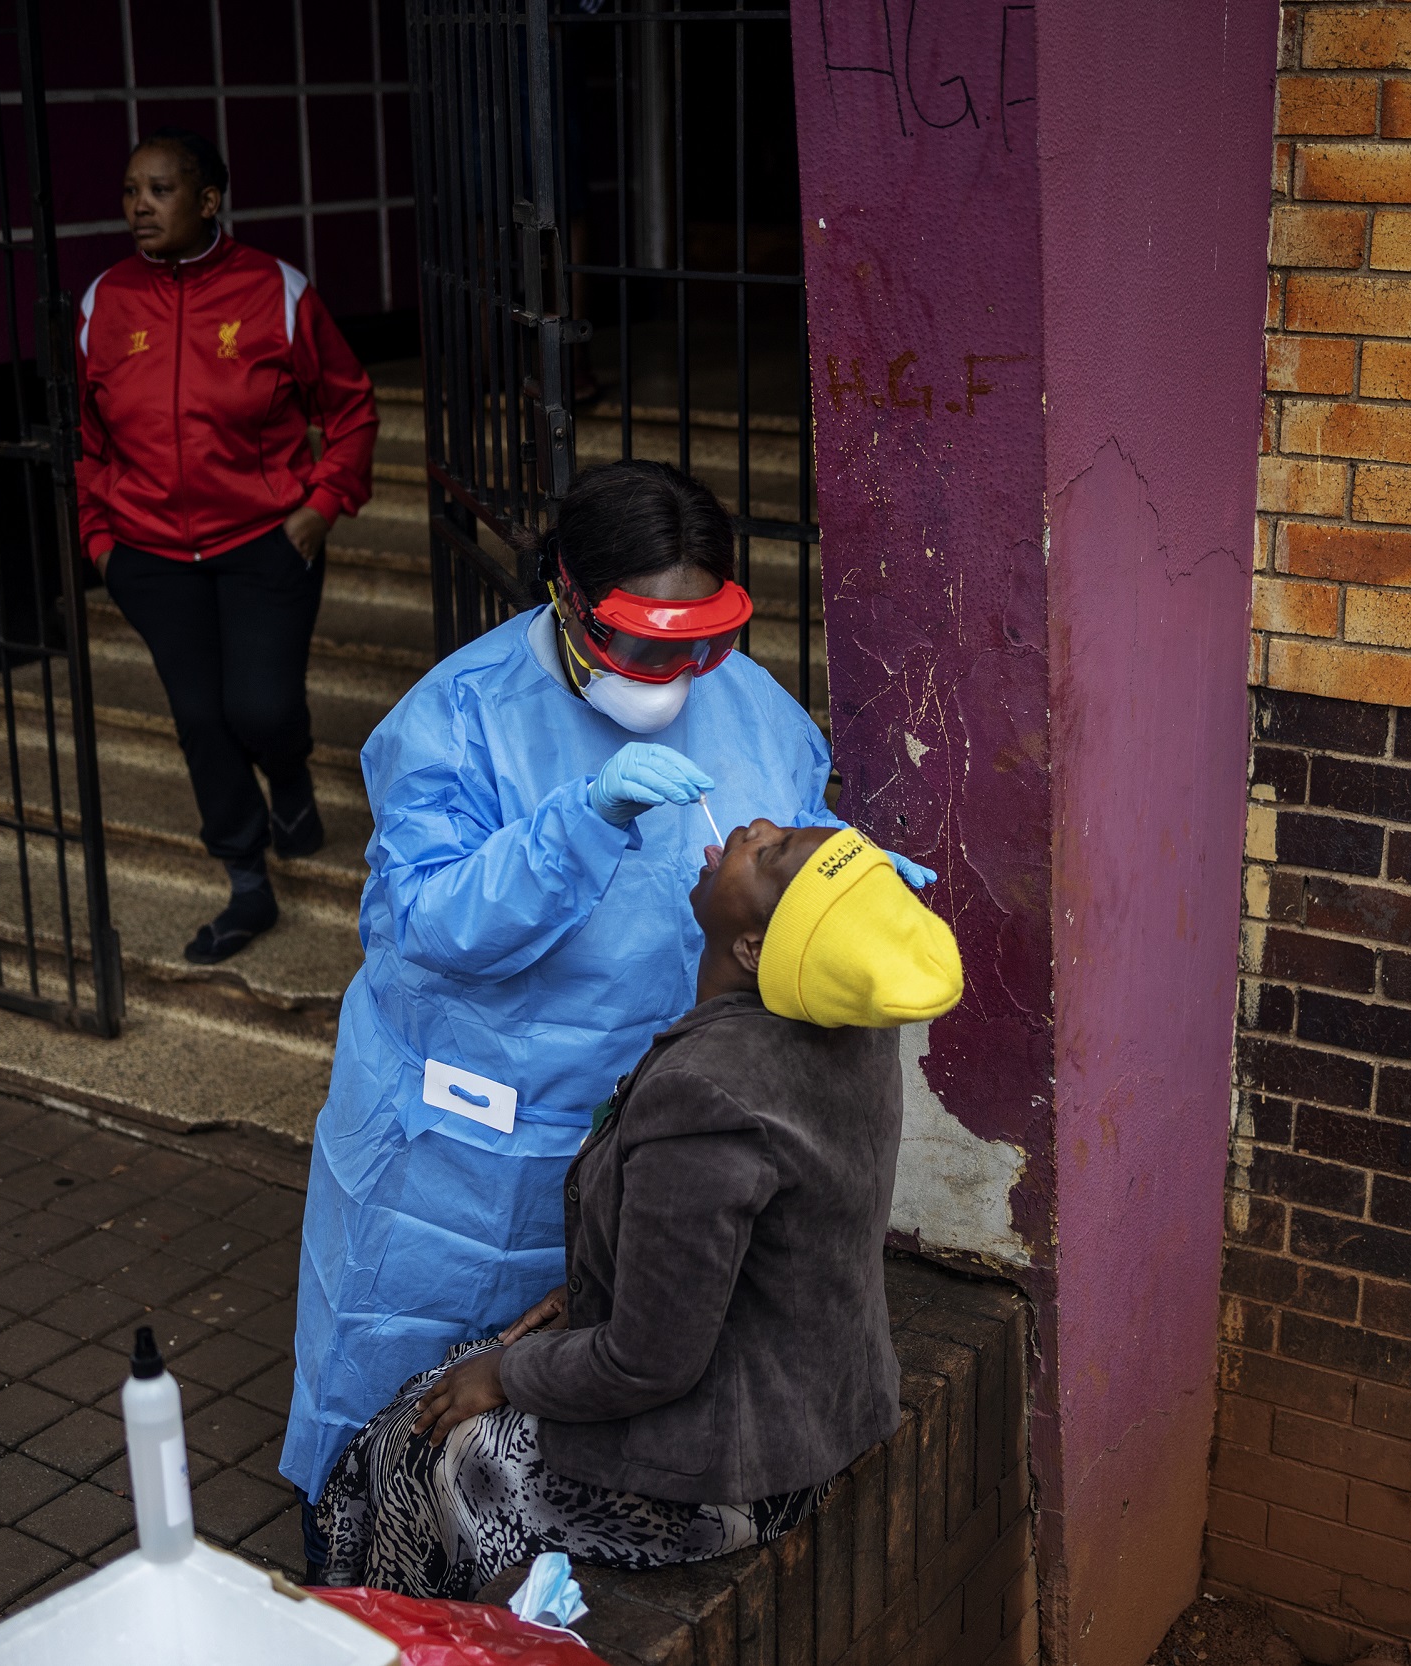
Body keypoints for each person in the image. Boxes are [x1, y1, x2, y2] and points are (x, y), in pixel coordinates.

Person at [277, 460, 940, 1555]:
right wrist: (577, 824)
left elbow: (791, 846)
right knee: (396, 1420)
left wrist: (849, 889)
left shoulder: (752, 709)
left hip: (651, 1131)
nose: (677, 678)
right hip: (468, 1140)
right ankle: (355, 1564)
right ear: (566, 597)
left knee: (554, 1424)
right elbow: (428, 922)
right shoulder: (457, 719)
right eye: (643, 645)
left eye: (702, 645)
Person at [313, 819, 964, 1596]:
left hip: (732, 1473)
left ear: (754, 948)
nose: (754, 826)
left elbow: (647, 1362)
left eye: (768, 854)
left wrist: (510, 1374)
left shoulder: (706, 1095)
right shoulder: (848, 1021)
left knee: (415, 1450)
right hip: (820, 1406)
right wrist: (596, 1289)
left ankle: (391, 1628)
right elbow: (748, 1245)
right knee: (440, 1389)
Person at [74, 125, 378, 964]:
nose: (139, 206)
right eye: (130, 190)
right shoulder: (103, 302)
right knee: (201, 719)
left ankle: (288, 772)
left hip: (263, 541)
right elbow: (87, 440)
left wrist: (321, 506)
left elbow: (351, 407)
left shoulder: (275, 291)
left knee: (261, 708)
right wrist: (99, 539)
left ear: (209, 201)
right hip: (149, 553)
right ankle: (246, 879)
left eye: (160, 190)